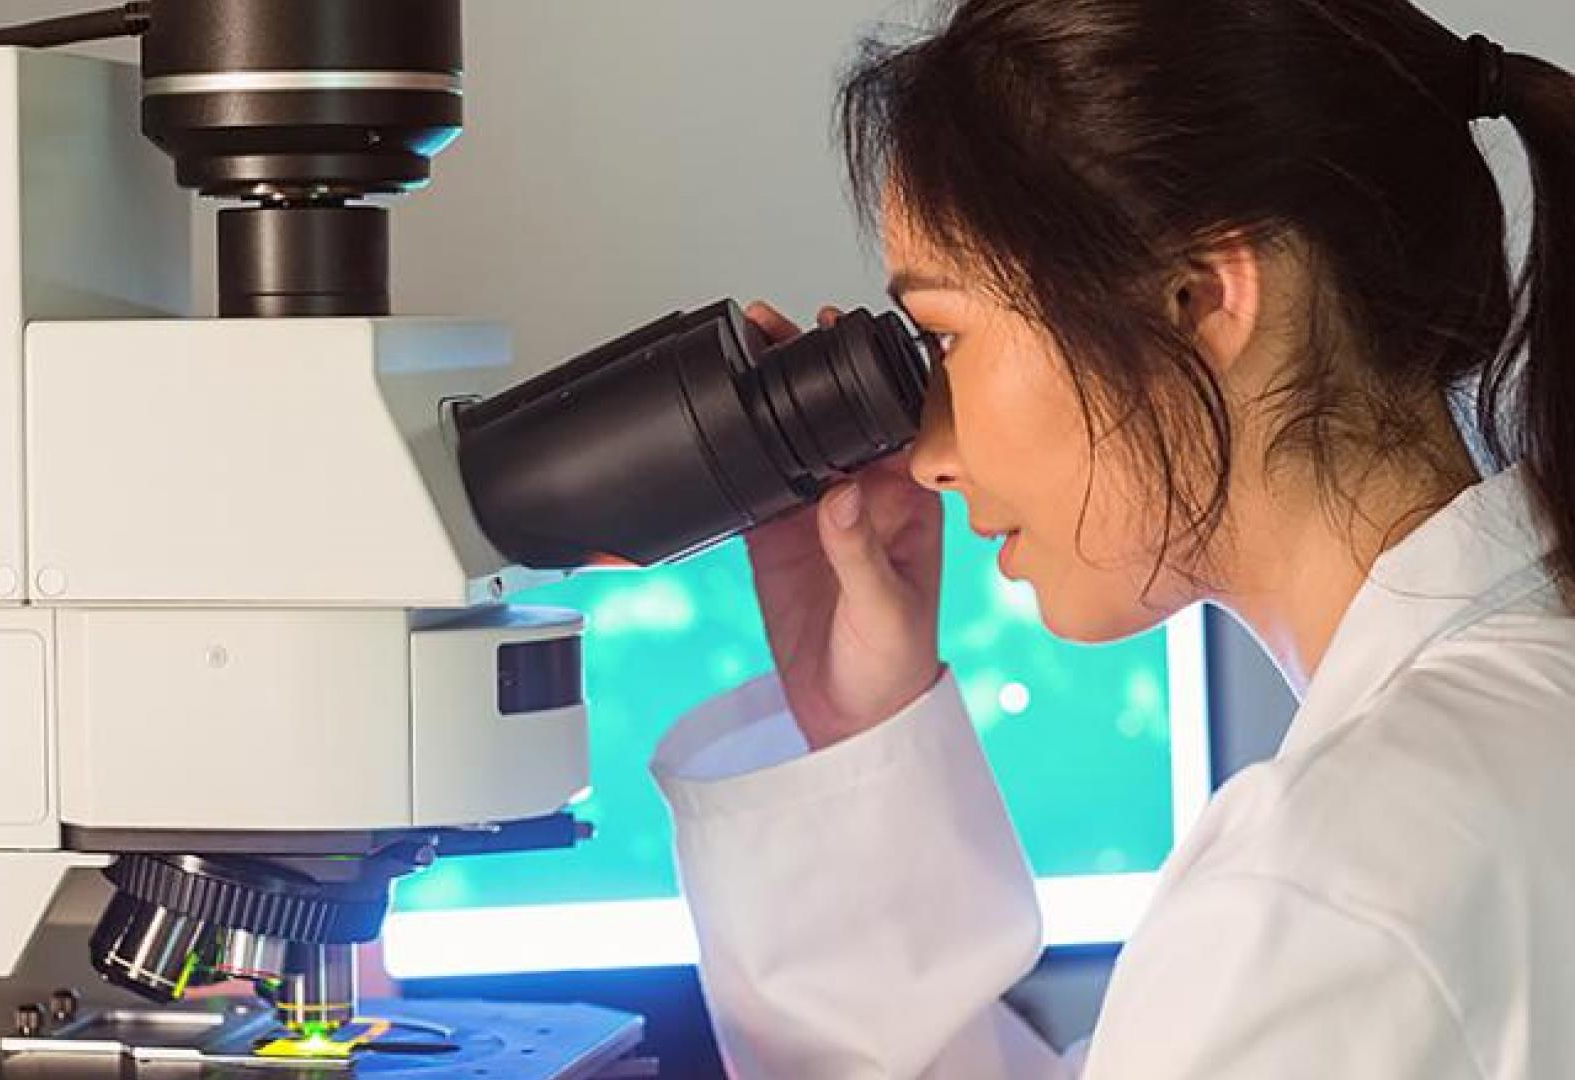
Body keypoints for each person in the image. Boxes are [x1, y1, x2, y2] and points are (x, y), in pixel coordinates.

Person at [649, 0, 1575, 1075]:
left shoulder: (1334, 892)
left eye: (946, 335)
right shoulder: (1497, 734)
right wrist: (858, 731)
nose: (927, 454)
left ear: (1202, 299)